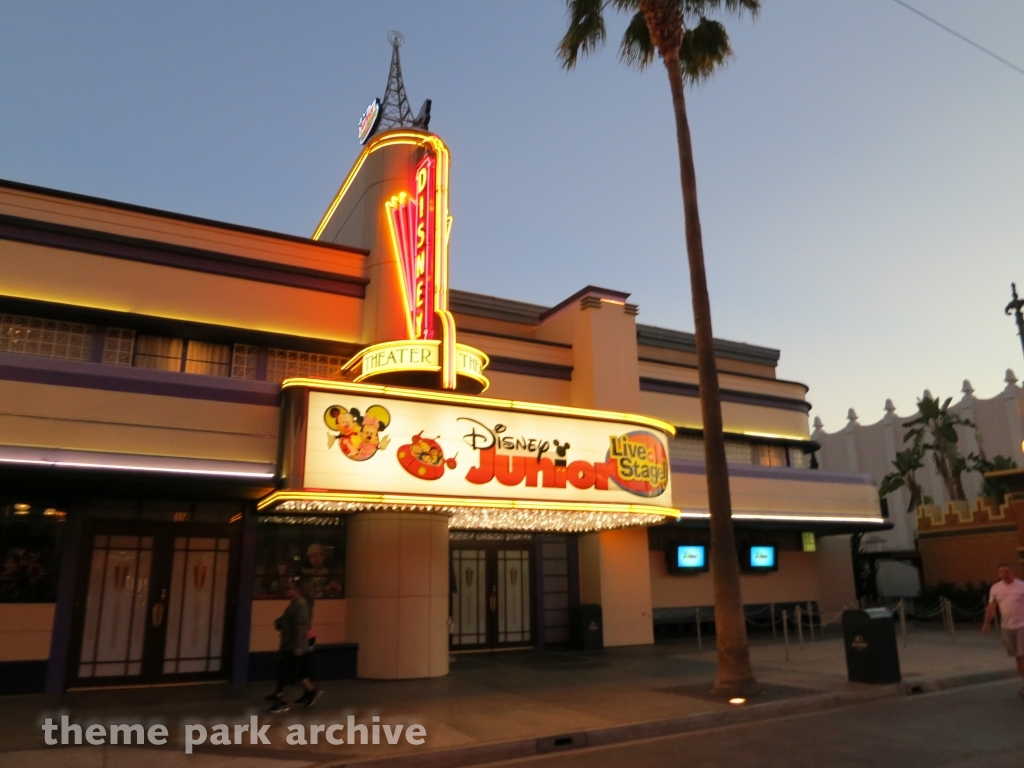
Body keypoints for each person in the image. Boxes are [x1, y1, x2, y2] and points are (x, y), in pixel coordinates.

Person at [266, 579, 320, 712]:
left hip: (292, 644)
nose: (287, 591)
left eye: (289, 588)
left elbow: (300, 626)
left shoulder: (299, 604)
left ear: (297, 589)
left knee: (288, 674)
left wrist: (298, 645)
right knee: (297, 673)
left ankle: (283, 702)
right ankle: (310, 692)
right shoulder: (298, 604)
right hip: (291, 643)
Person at [982, 562, 1024, 696]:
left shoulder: (1021, 586)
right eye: (1001, 572)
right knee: (1018, 657)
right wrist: (986, 623)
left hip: (1022, 625)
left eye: (1006, 571)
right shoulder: (995, 588)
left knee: (1022, 655)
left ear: (1013, 572)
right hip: (1007, 627)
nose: (1004, 574)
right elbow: (992, 607)